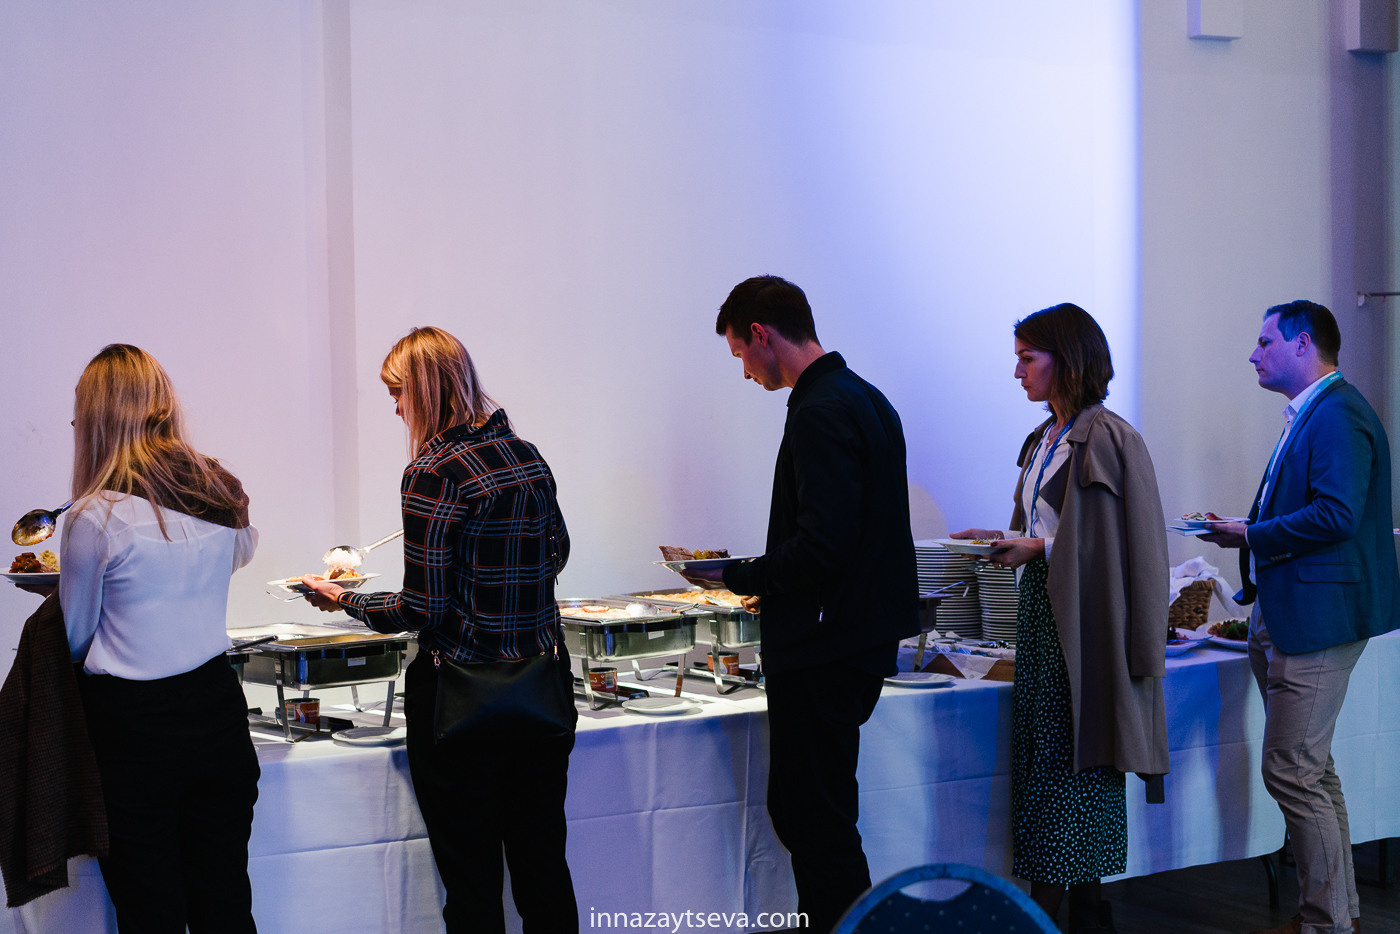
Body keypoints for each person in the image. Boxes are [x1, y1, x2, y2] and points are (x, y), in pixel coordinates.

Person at [303, 326, 577, 934]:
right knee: (543, 868)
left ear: (426, 391)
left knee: (472, 878)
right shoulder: (527, 456)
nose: (396, 408)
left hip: (462, 698)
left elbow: (421, 608)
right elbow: (557, 553)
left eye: (398, 393)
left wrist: (347, 599)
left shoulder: (432, 472)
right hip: (541, 687)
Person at [687, 275, 919, 933]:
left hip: (824, 647)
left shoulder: (820, 410)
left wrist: (735, 574)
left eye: (739, 354)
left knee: (814, 822)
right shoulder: (865, 398)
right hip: (851, 639)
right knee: (816, 816)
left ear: (761, 334)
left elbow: (824, 546)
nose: (744, 372)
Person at [952, 302, 1168, 934]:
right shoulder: (1045, 436)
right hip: (1045, 612)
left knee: (1076, 756)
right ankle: (1083, 911)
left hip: (1085, 622)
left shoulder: (1109, 436)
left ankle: (1057, 912)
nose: (1017, 371)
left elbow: (1125, 545)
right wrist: (1000, 537)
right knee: (1051, 761)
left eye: (1028, 358)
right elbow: (1053, 529)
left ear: (1066, 358)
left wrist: (1037, 548)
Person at [1200, 300, 1399, 934]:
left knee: (1291, 769)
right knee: (1310, 769)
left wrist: (1250, 533)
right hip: (1295, 614)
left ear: (1302, 344)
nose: (1252, 354)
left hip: (1318, 618)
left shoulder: (1337, 415)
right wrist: (1250, 533)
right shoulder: (1316, 413)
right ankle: (1336, 914)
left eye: (1264, 342)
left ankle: (1326, 922)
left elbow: (1337, 515)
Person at [58, 343, 260, 932]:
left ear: (100, 417)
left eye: (79, 412)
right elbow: (241, 552)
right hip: (218, 715)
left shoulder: (95, 516)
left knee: (151, 912)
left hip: (133, 733)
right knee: (224, 901)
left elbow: (75, 638)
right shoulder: (219, 497)